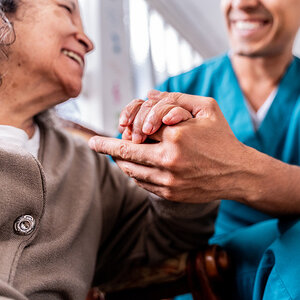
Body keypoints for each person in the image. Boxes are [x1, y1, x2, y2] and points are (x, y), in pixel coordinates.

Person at [0, 0, 218, 299]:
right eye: (66, 8)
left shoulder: (86, 166)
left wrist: (180, 173)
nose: (88, 43)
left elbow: (166, 236)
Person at [88, 0, 300, 299]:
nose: (244, 3)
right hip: (202, 271)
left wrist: (238, 171)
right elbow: (116, 194)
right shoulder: (179, 91)